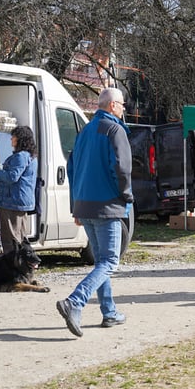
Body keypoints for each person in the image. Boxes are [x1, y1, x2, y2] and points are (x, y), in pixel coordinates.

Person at [56, 88, 132, 337]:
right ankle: (75, 301)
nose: (124, 108)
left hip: (84, 204)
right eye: (122, 104)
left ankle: (109, 312)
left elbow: (72, 169)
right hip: (107, 204)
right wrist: (127, 196)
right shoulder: (114, 130)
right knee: (110, 262)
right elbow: (122, 168)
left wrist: (74, 206)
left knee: (101, 262)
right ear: (112, 105)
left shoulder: (84, 131)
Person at [0, 125, 37, 253]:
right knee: (20, 238)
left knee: (10, 239)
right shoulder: (30, 156)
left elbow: (12, 177)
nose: (11, 139)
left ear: (20, 139)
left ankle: (12, 263)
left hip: (12, 202)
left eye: (14, 136)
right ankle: (22, 262)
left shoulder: (20, 156)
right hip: (20, 202)